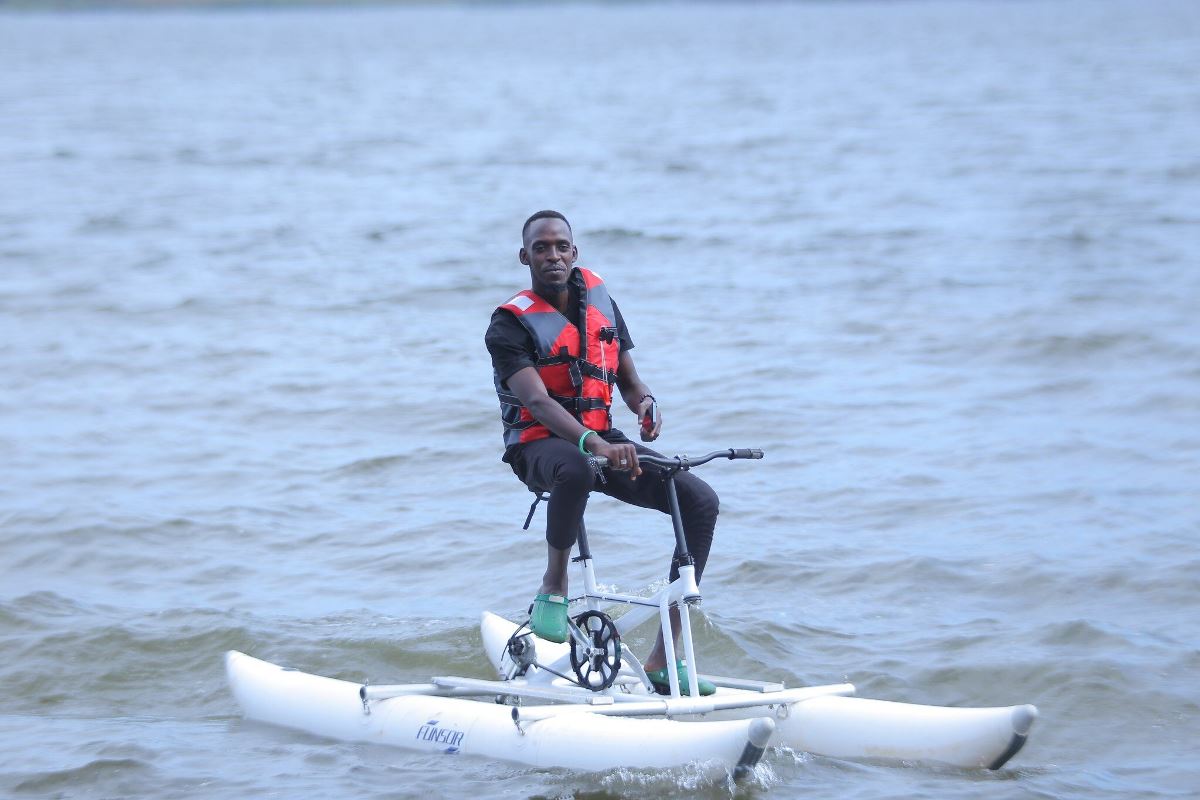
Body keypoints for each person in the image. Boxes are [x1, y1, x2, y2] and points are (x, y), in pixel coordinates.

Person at [484, 210, 719, 696]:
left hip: (602, 440)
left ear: (575, 252)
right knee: (576, 469)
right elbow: (536, 401)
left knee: (699, 501)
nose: (553, 255)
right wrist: (594, 445)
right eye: (541, 248)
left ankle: (662, 657)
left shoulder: (601, 303)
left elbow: (630, 383)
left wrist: (646, 406)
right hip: (539, 447)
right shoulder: (508, 324)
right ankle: (554, 588)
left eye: (561, 246)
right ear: (524, 256)